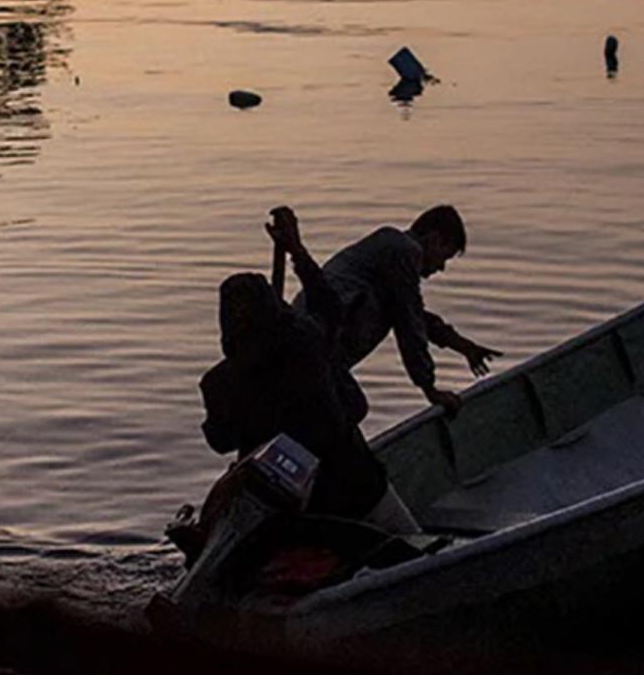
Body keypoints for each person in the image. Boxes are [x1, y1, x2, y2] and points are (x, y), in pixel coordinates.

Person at [189, 272, 406, 537]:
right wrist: (298, 253)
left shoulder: (217, 383)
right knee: (408, 538)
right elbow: (330, 307)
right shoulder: (307, 341)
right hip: (355, 487)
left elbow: (220, 441)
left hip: (286, 507)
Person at [264, 203, 500, 417]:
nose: (441, 267)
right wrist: (429, 388)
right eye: (444, 256)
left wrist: (463, 346)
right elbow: (409, 324)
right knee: (351, 408)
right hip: (315, 348)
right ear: (434, 238)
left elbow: (413, 313)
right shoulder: (404, 249)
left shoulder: (393, 259)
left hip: (319, 353)